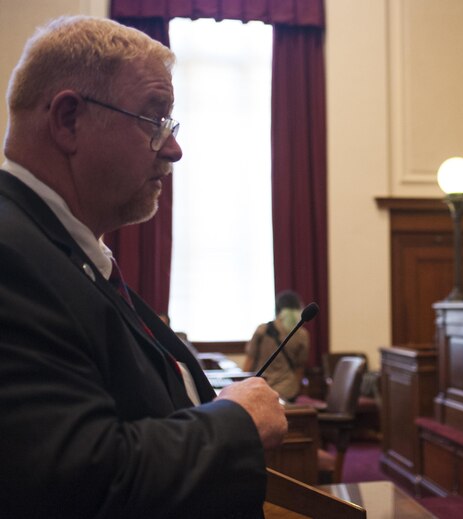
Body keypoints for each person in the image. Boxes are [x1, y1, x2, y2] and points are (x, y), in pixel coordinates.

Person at [0, 16, 287, 518]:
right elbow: (79, 483)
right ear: (69, 120)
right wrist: (237, 423)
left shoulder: (61, 252)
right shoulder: (12, 254)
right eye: (155, 120)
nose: (174, 148)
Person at [243, 290, 310, 401]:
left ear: (277, 308)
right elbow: (300, 367)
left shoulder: (262, 330)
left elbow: (250, 361)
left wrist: (243, 386)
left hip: (260, 387)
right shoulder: (302, 335)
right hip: (287, 390)